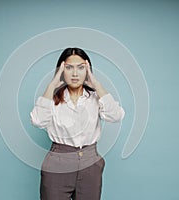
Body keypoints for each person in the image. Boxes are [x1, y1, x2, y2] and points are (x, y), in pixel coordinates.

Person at [30, 47, 125, 200]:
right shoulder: (51, 99)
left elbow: (116, 115)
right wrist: (53, 85)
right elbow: (37, 120)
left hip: (90, 164)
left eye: (81, 68)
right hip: (58, 163)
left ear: (87, 70)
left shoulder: (95, 98)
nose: (75, 73)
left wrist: (96, 84)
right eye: (69, 68)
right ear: (61, 70)